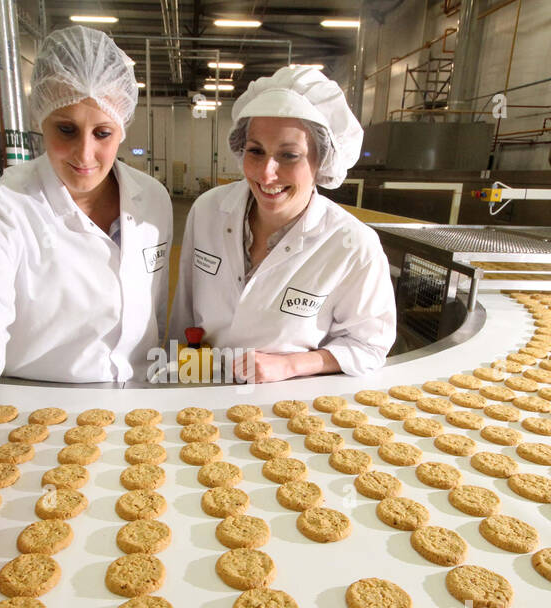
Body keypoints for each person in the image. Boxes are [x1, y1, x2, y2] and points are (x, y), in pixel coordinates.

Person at [0, 25, 171, 580]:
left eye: (103, 132)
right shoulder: (8, 206)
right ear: (41, 118)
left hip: (138, 422)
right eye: (66, 129)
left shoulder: (153, 199)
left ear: (124, 125)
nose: (85, 154)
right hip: (37, 430)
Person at [169, 65, 395, 383]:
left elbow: (368, 347)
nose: (266, 174)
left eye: (289, 155)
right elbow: (184, 315)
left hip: (289, 403)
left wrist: (292, 365)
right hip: (205, 386)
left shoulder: (352, 244)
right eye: (255, 151)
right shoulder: (208, 210)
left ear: (322, 160)